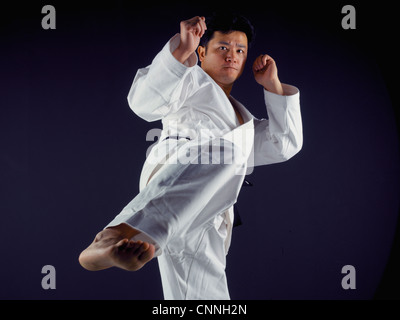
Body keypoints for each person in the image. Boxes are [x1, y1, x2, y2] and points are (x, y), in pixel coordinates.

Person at [79, 12, 303, 300]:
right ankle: (117, 233)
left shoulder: (243, 123)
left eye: (240, 51)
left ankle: (134, 242)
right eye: (223, 48)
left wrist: (273, 86)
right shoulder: (188, 79)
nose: (232, 56)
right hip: (175, 166)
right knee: (230, 154)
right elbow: (142, 103)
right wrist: (182, 50)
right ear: (202, 51)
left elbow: (284, 144)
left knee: (201, 294)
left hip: (210, 207)